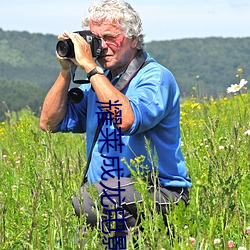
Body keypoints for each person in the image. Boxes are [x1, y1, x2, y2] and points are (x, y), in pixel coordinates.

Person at [40, 0, 192, 246]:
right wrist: (66, 70)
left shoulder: (154, 77)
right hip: (110, 198)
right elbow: (49, 122)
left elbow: (126, 120)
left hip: (160, 192)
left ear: (133, 39)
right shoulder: (98, 83)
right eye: (96, 39)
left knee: (87, 199)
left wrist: (90, 67)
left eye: (110, 37)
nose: (102, 47)